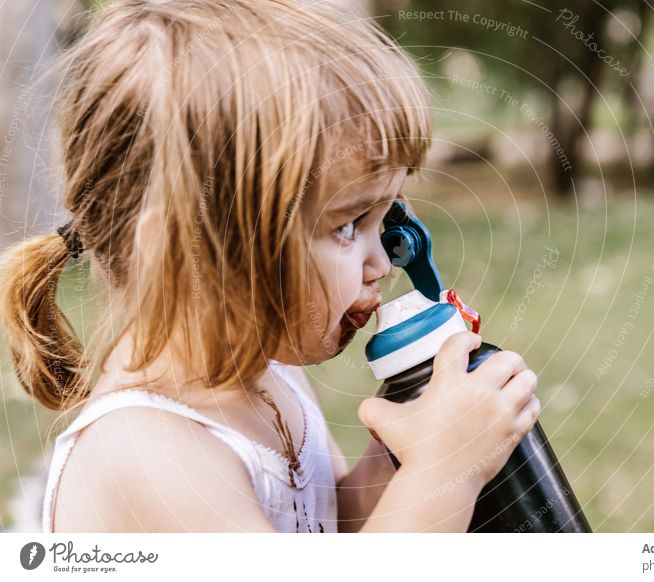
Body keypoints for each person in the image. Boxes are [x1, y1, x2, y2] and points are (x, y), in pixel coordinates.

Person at [0, 0, 540, 533]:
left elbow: (336, 532)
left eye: (387, 216)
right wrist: (444, 470)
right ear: (190, 252)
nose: (381, 263)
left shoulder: (270, 376)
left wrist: (403, 452)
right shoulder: (149, 454)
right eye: (348, 225)